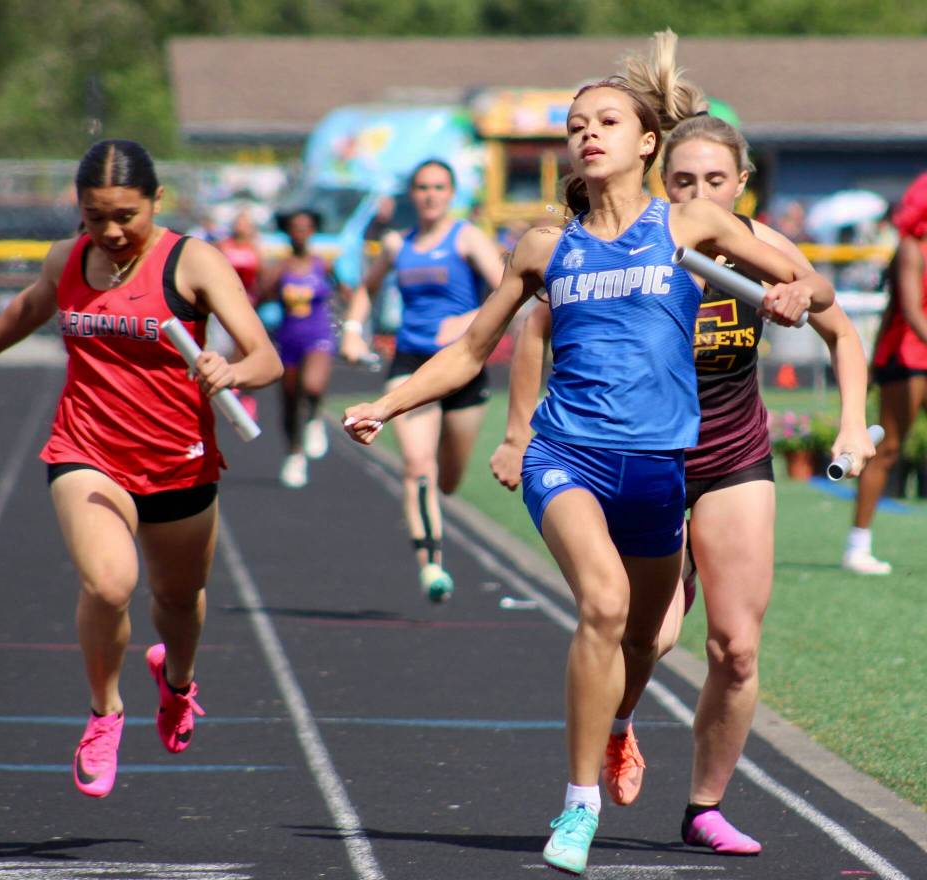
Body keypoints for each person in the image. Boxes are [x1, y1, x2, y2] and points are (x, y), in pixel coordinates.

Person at [343, 71, 834, 874]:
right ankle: (578, 808)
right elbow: (472, 349)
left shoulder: (691, 222)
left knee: (644, 635)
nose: (588, 134)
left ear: (648, 143)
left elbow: (806, 280)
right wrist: (391, 403)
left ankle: (614, 726)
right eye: (576, 124)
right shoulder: (544, 246)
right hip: (565, 455)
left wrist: (795, 294)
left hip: (656, 469)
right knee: (602, 604)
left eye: (606, 120)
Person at [489, 31, 875, 857]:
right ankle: (620, 723)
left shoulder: (750, 248)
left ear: (742, 187)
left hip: (728, 455)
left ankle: (703, 806)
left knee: (735, 647)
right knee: (649, 635)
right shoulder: (636, 242)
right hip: (633, 455)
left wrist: (843, 406)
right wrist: (519, 433)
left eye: (714, 181)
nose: (698, 191)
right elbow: (536, 333)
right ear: (663, 177)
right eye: (684, 180)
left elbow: (836, 323)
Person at [0, 139, 283, 799]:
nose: (110, 231)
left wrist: (231, 369)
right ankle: (105, 711)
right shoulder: (70, 257)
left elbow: (266, 358)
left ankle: (176, 685)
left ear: (156, 201)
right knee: (110, 584)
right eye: (94, 216)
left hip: (178, 459)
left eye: (125, 215)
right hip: (88, 449)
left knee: (178, 600)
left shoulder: (191, 261)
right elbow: (29, 308)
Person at [339, 159, 505, 602]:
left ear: (451, 193)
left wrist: (468, 322)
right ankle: (431, 565)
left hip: (462, 365)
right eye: (422, 187)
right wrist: (354, 332)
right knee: (418, 466)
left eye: (438, 187)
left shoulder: (467, 237)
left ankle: (437, 506)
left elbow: (509, 290)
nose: (430, 195)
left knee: (447, 478)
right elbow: (365, 288)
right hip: (410, 362)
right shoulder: (397, 245)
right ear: (412, 194)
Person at [845, 172, 927, 574]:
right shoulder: (912, 247)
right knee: (889, 447)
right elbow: (911, 313)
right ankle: (857, 544)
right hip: (906, 357)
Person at [265, 208, 349, 488]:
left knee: (312, 386)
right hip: (288, 339)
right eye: (295, 228)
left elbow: (347, 290)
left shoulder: (322, 265)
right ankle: (294, 454)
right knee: (289, 403)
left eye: (305, 227)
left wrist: (352, 321)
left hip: (319, 336)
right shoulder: (280, 269)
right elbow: (253, 299)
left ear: (313, 231)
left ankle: (314, 417)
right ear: (288, 232)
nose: (300, 233)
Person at [216, 209, 264, 421]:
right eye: (239, 222)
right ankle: (228, 384)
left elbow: (262, 276)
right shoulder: (224, 246)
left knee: (244, 349)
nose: (241, 227)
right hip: (223, 304)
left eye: (246, 223)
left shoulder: (255, 248)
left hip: (247, 304)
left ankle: (245, 393)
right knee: (223, 348)